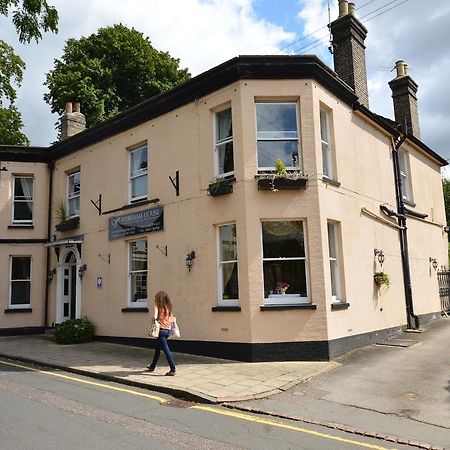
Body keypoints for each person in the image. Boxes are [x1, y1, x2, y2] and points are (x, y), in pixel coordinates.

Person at [147, 290, 176, 376]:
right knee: (157, 349)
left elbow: (155, 316)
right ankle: (152, 366)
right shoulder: (169, 307)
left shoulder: (157, 306)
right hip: (167, 331)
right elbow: (172, 319)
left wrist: (153, 320)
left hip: (161, 331)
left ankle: (173, 369)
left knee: (166, 350)